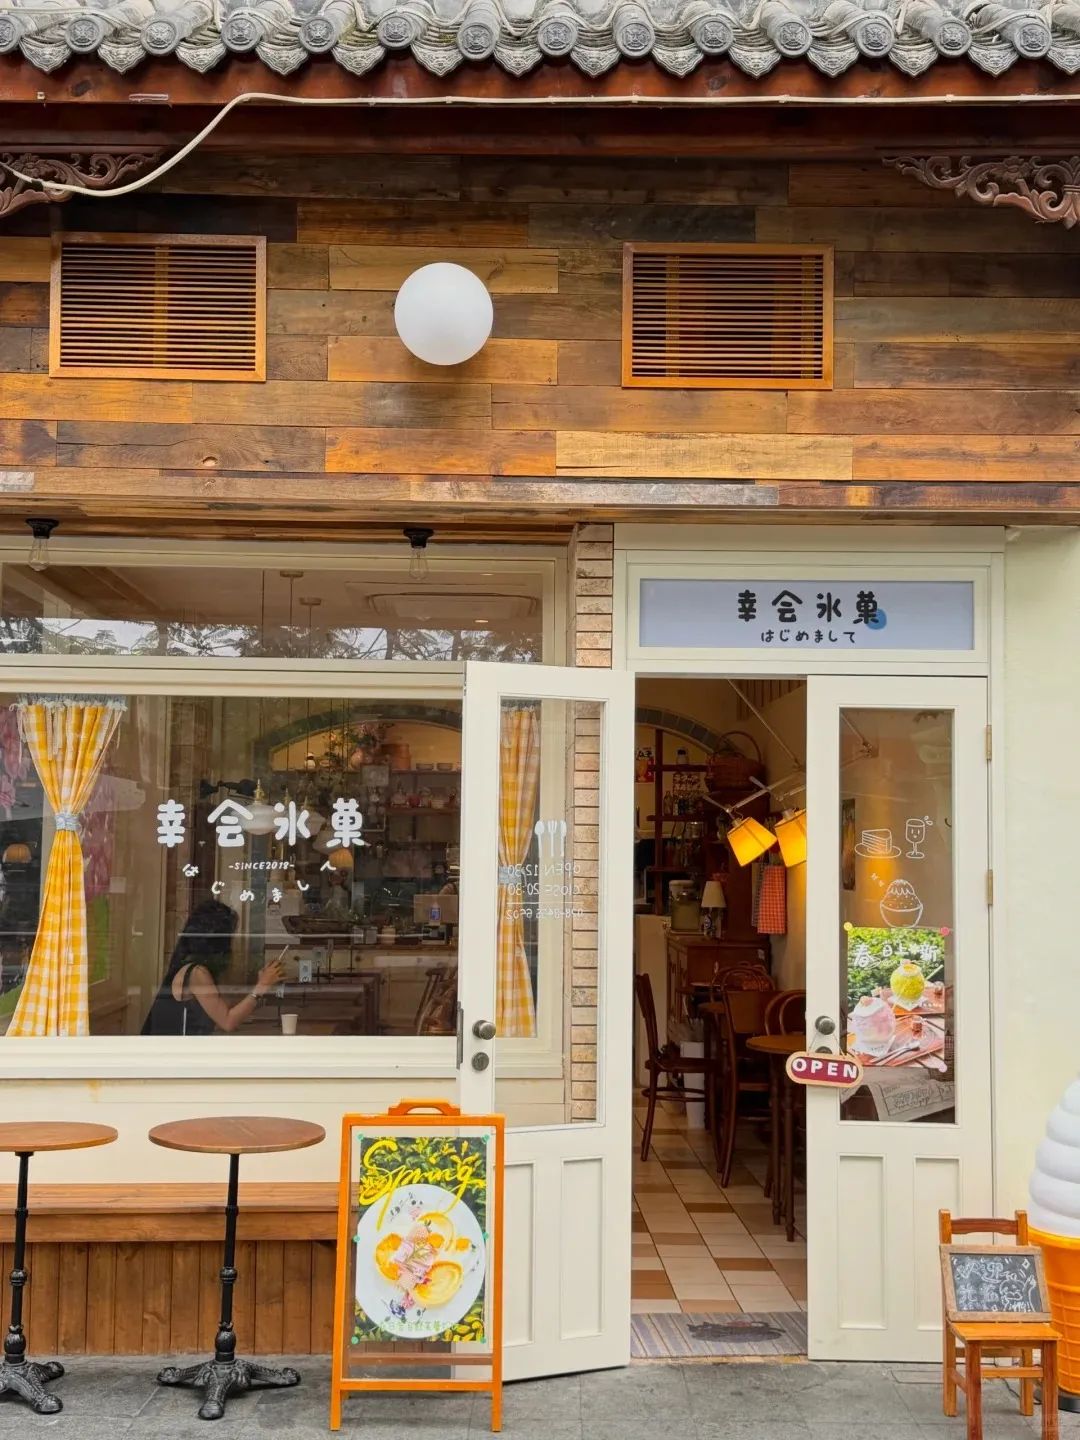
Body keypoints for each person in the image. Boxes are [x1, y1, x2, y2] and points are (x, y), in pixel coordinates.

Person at [141, 899, 284, 1035]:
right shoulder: (197, 973)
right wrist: (261, 986)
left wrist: (260, 984)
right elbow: (227, 1022)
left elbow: (222, 1006)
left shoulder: (186, 965)